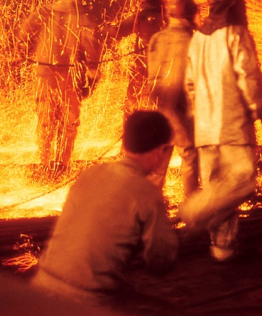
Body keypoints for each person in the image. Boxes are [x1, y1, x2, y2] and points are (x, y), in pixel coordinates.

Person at [32, 110, 178, 306]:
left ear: (126, 143)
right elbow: (160, 262)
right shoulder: (147, 193)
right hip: (88, 299)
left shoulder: (89, 174)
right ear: (162, 151)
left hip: (40, 286)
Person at [179, 0, 262, 262]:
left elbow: (190, 85)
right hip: (232, 125)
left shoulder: (198, 39)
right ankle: (196, 209)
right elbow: (247, 74)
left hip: (205, 130)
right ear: (233, 3)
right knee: (243, 181)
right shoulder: (236, 33)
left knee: (219, 188)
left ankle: (223, 251)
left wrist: (198, 117)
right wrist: (258, 107)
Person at [20, 0, 101, 179]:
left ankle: (45, 161)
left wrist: (26, 51)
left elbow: (22, 34)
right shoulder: (82, 16)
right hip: (70, 74)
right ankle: (63, 164)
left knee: (46, 118)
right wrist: (92, 71)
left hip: (44, 71)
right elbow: (90, 44)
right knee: (69, 120)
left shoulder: (44, 12)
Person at [146, 0, 200, 199]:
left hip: (159, 108)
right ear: (190, 14)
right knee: (190, 155)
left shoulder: (157, 38)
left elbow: (152, 76)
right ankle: (190, 208)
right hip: (179, 108)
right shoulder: (194, 41)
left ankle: (152, 205)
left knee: (159, 159)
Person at [105, 0, 166, 113]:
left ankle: (134, 125)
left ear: (143, 2)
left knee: (134, 99)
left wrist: (106, 29)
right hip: (165, 67)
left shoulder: (139, 18)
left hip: (143, 66)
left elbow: (118, 32)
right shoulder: (169, 16)